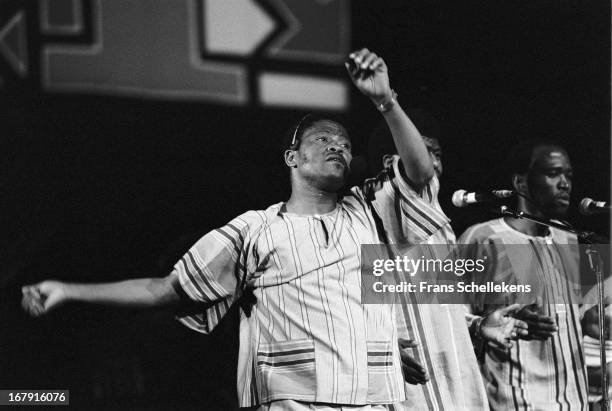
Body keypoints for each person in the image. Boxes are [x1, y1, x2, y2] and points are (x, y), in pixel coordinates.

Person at [365, 116, 516, 410]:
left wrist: (479, 325)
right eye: (426, 152)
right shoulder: (369, 217)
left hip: (456, 383)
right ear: (389, 162)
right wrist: (380, 346)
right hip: (410, 388)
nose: (434, 164)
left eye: (438, 156)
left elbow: (446, 311)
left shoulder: (442, 228)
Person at [459, 141, 593, 410]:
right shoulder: (484, 238)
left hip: (573, 401)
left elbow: (569, 318)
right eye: (553, 173)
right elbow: (446, 318)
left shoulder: (568, 237)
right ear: (521, 183)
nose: (565, 183)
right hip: (514, 402)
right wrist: (491, 323)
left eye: (568, 175)